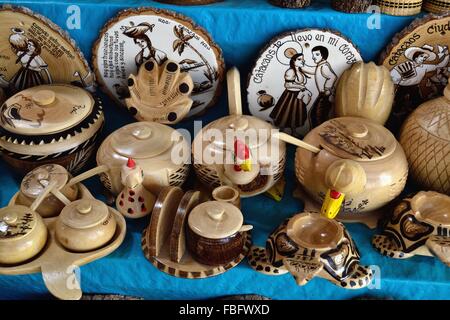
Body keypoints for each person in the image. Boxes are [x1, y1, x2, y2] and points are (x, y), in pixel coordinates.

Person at [390, 44, 449, 121]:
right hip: (401, 88)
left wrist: (446, 54)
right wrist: (398, 81)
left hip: (415, 88)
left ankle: (412, 120)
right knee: (397, 106)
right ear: (416, 56)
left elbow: (439, 65)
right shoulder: (406, 65)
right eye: (422, 56)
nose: (423, 59)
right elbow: (393, 75)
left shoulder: (424, 67)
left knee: (416, 104)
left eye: (425, 57)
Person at [269, 52, 312, 134]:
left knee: (295, 115)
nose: (302, 61)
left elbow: (313, 72)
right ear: (293, 61)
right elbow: (287, 85)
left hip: (299, 95)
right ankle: (281, 131)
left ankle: (293, 131)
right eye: (299, 59)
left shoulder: (300, 70)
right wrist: (301, 87)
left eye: (303, 59)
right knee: (287, 112)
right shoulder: (290, 71)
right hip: (291, 95)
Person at [302, 45, 337, 129]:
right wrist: (301, 67)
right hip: (323, 94)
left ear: (323, 56)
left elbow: (332, 77)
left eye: (317, 55)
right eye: (313, 55)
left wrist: (327, 89)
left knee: (317, 115)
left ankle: (319, 134)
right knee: (316, 114)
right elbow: (313, 71)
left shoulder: (324, 66)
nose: (314, 57)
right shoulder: (320, 65)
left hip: (325, 94)